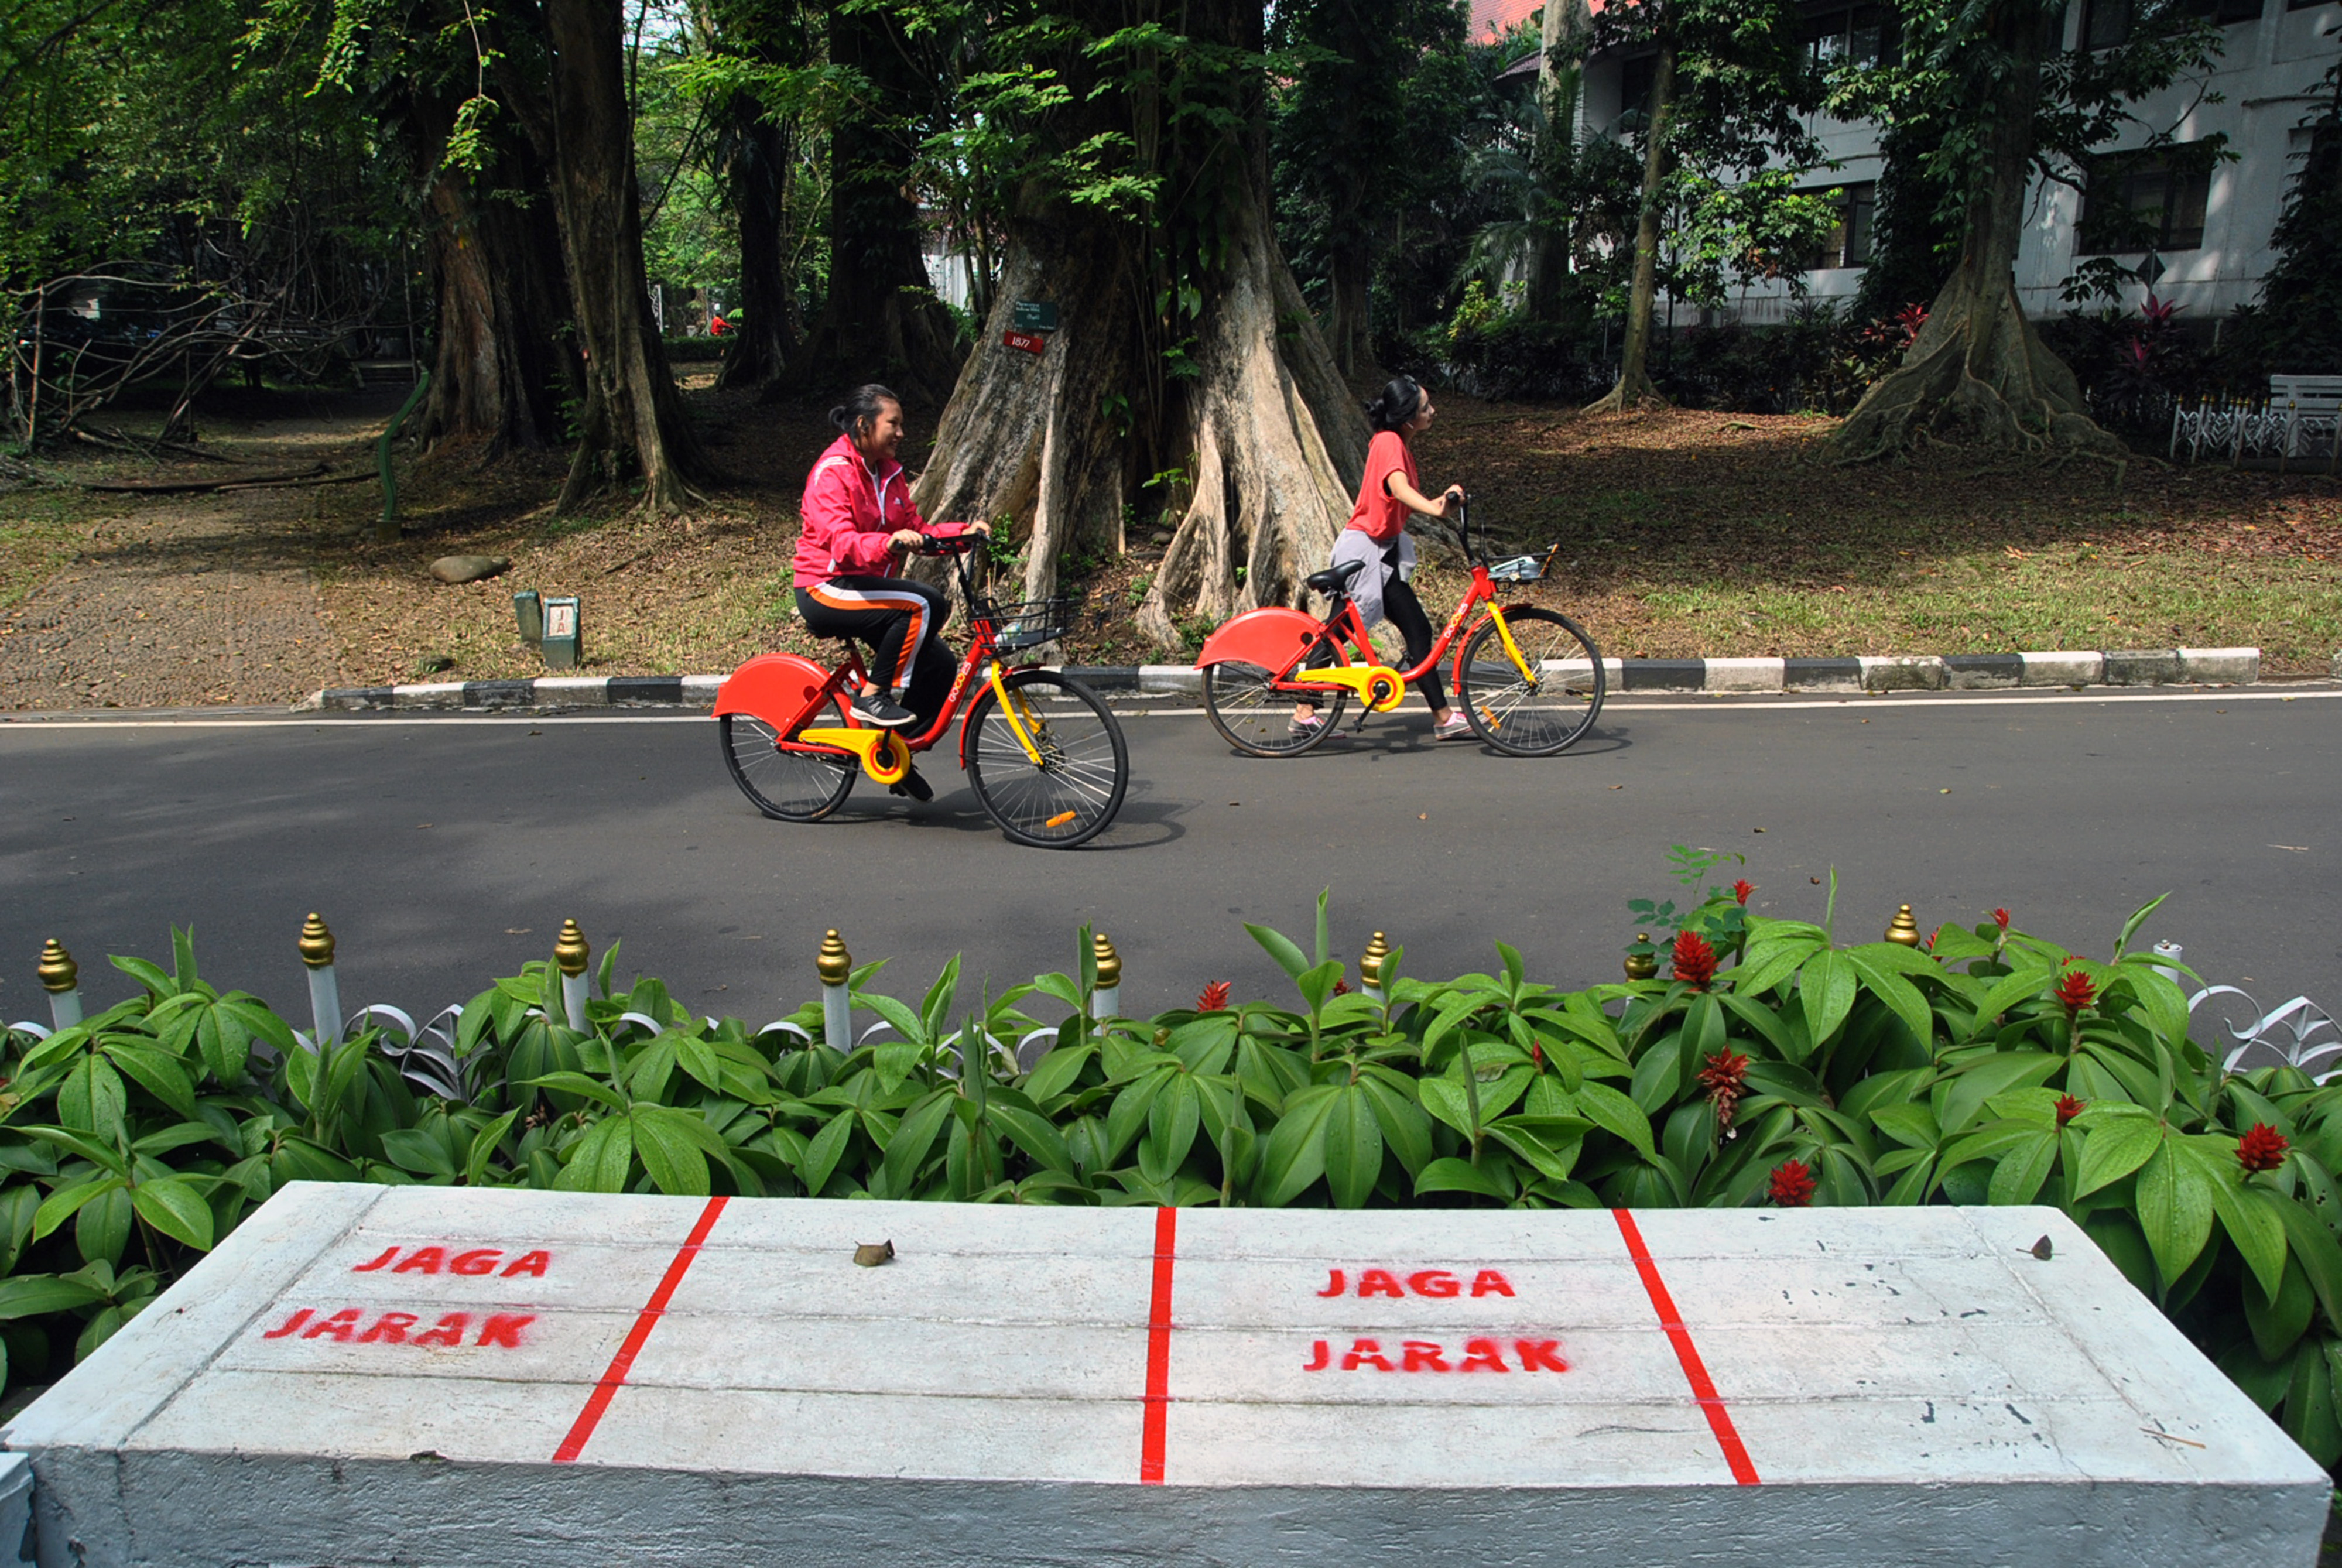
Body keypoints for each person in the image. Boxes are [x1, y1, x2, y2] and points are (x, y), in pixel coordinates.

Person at [793, 384, 986, 800]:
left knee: (940, 665)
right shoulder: (833, 473)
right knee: (924, 602)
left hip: (863, 588)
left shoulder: (889, 473)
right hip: (825, 587)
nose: (901, 432)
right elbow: (841, 543)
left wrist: (963, 534)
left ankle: (891, 754)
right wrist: (888, 543)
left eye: (902, 424)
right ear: (864, 425)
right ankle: (874, 696)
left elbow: (918, 529)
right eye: (893, 423)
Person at [1296, 375, 1468, 741]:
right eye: (1425, 408)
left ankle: (1305, 713)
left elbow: (1401, 497)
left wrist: (1445, 505)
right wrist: (1437, 509)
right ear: (1408, 418)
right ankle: (1442, 718)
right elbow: (1398, 488)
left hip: (1379, 550)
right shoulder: (1389, 442)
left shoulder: (1396, 441)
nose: (1432, 411)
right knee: (1351, 631)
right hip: (1365, 551)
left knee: (1360, 630)